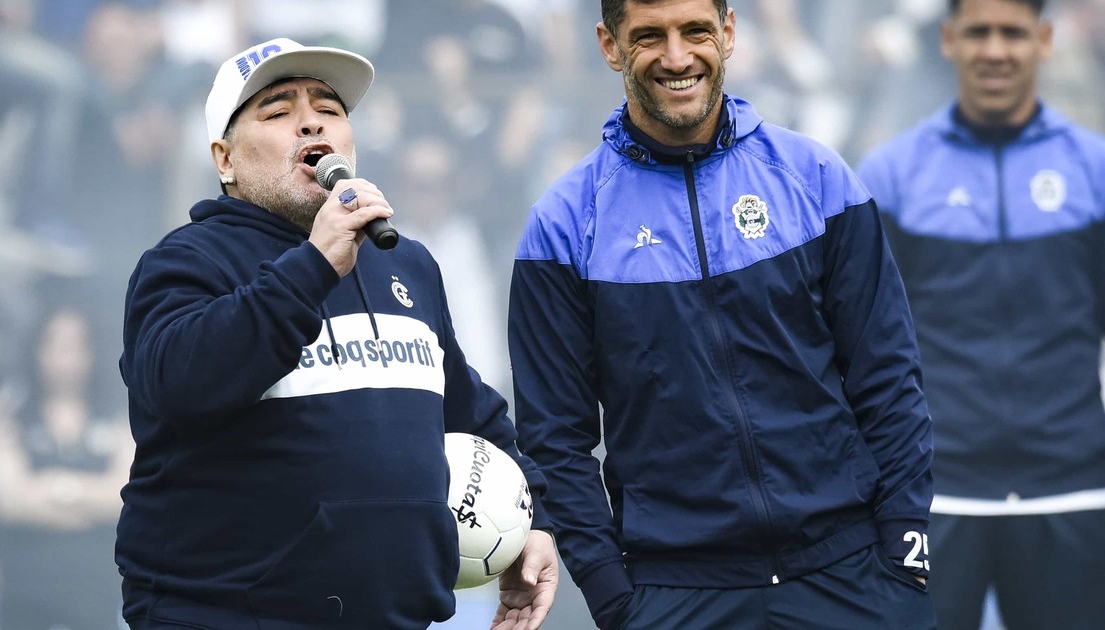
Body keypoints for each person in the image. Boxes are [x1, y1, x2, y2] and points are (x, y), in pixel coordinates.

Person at [507, 1, 937, 629]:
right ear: (609, 44)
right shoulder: (563, 225)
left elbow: (889, 376)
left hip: (854, 574)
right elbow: (555, 439)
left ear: (728, 32)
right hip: (674, 592)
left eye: (696, 31)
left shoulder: (817, 178)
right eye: (649, 36)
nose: (677, 57)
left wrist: (904, 542)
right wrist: (611, 595)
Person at [115, 38, 557, 630]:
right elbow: (178, 382)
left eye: (328, 108)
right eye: (278, 111)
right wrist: (314, 265)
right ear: (225, 160)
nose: (311, 123)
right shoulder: (186, 261)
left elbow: (468, 409)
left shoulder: (406, 263)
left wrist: (535, 519)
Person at [856, 1, 1105, 627]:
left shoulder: (1094, 171)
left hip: (1073, 488)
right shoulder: (893, 176)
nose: (995, 50)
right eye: (978, 32)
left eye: (1013, 33)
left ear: (1044, 39)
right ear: (948, 39)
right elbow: (858, 344)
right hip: (933, 494)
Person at [0, 296, 132, 630]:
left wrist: (55, 489)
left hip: (95, 586)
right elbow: (8, 501)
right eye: (55, 344)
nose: (65, 358)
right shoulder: (10, 416)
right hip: (25, 587)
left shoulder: (117, 416)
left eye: (76, 345)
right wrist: (89, 502)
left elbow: (125, 498)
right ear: (36, 349)